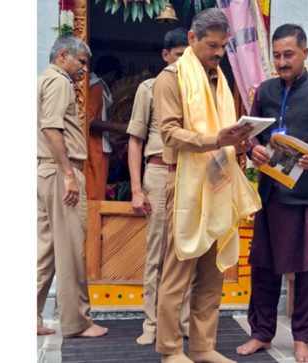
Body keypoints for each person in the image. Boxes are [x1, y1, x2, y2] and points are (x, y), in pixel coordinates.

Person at [236, 24, 308, 362]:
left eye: (289, 54)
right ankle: (261, 333)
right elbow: (252, 132)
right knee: (263, 266)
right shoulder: (265, 91)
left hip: (307, 197)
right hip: (270, 195)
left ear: (305, 53)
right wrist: (251, 148)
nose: (282, 62)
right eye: (276, 55)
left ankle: (303, 339)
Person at [153, 8, 261, 363]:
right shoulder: (171, 79)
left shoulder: (220, 81)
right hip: (182, 181)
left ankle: (202, 347)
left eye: (223, 46)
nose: (217, 52)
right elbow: (170, 133)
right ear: (192, 40)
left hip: (217, 180)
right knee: (178, 269)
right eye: (211, 45)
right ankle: (170, 350)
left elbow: (224, 135)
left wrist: (239, 141)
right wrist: (218, 139)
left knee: (212, 272)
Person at [36, 36, 108, 338]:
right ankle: (77, 323)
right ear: (63, 55)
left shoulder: (42, 80)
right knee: (68, 250)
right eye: (80, 61)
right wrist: (68, 173)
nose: (83, 69)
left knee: (46, 251)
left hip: (45, 171)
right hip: (60, 172)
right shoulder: (59, 82)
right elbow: (51, 127)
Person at [126, 27, 191, 346]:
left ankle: (183, 320)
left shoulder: (198, 88)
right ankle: (151, 322)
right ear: (165, 56)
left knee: (187, 249)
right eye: (179, 55)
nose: (183, 61)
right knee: (156, 253)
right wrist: (137, 190)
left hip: (191, 176)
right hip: (157, 172)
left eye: (187, 55)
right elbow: (135, 140)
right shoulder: (148, 88)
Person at [86, 55, 128, 200]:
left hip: (97, 146)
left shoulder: (95, 86)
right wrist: (120, 127)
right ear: (111, 74)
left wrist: (109, 139)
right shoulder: (97, 87)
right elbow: (88, 120)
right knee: (94, 195)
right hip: (93, 149)